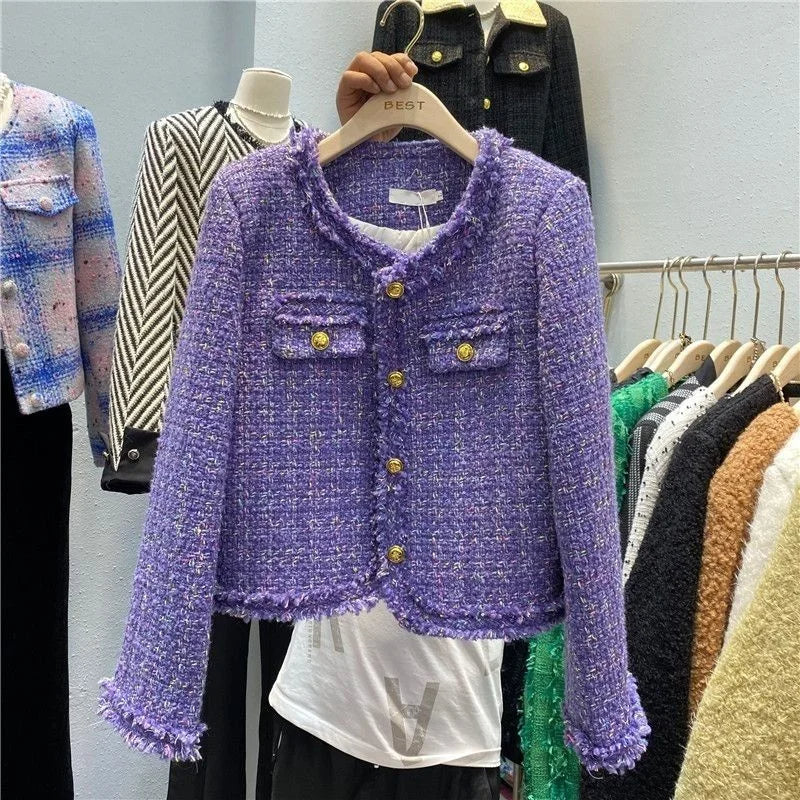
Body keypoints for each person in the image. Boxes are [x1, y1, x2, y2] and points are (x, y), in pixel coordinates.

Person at [267, 51, 503, 800]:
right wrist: (352, 154)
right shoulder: (326, 261)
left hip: (454, 723)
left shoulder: (518, 255)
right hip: (323, 704)